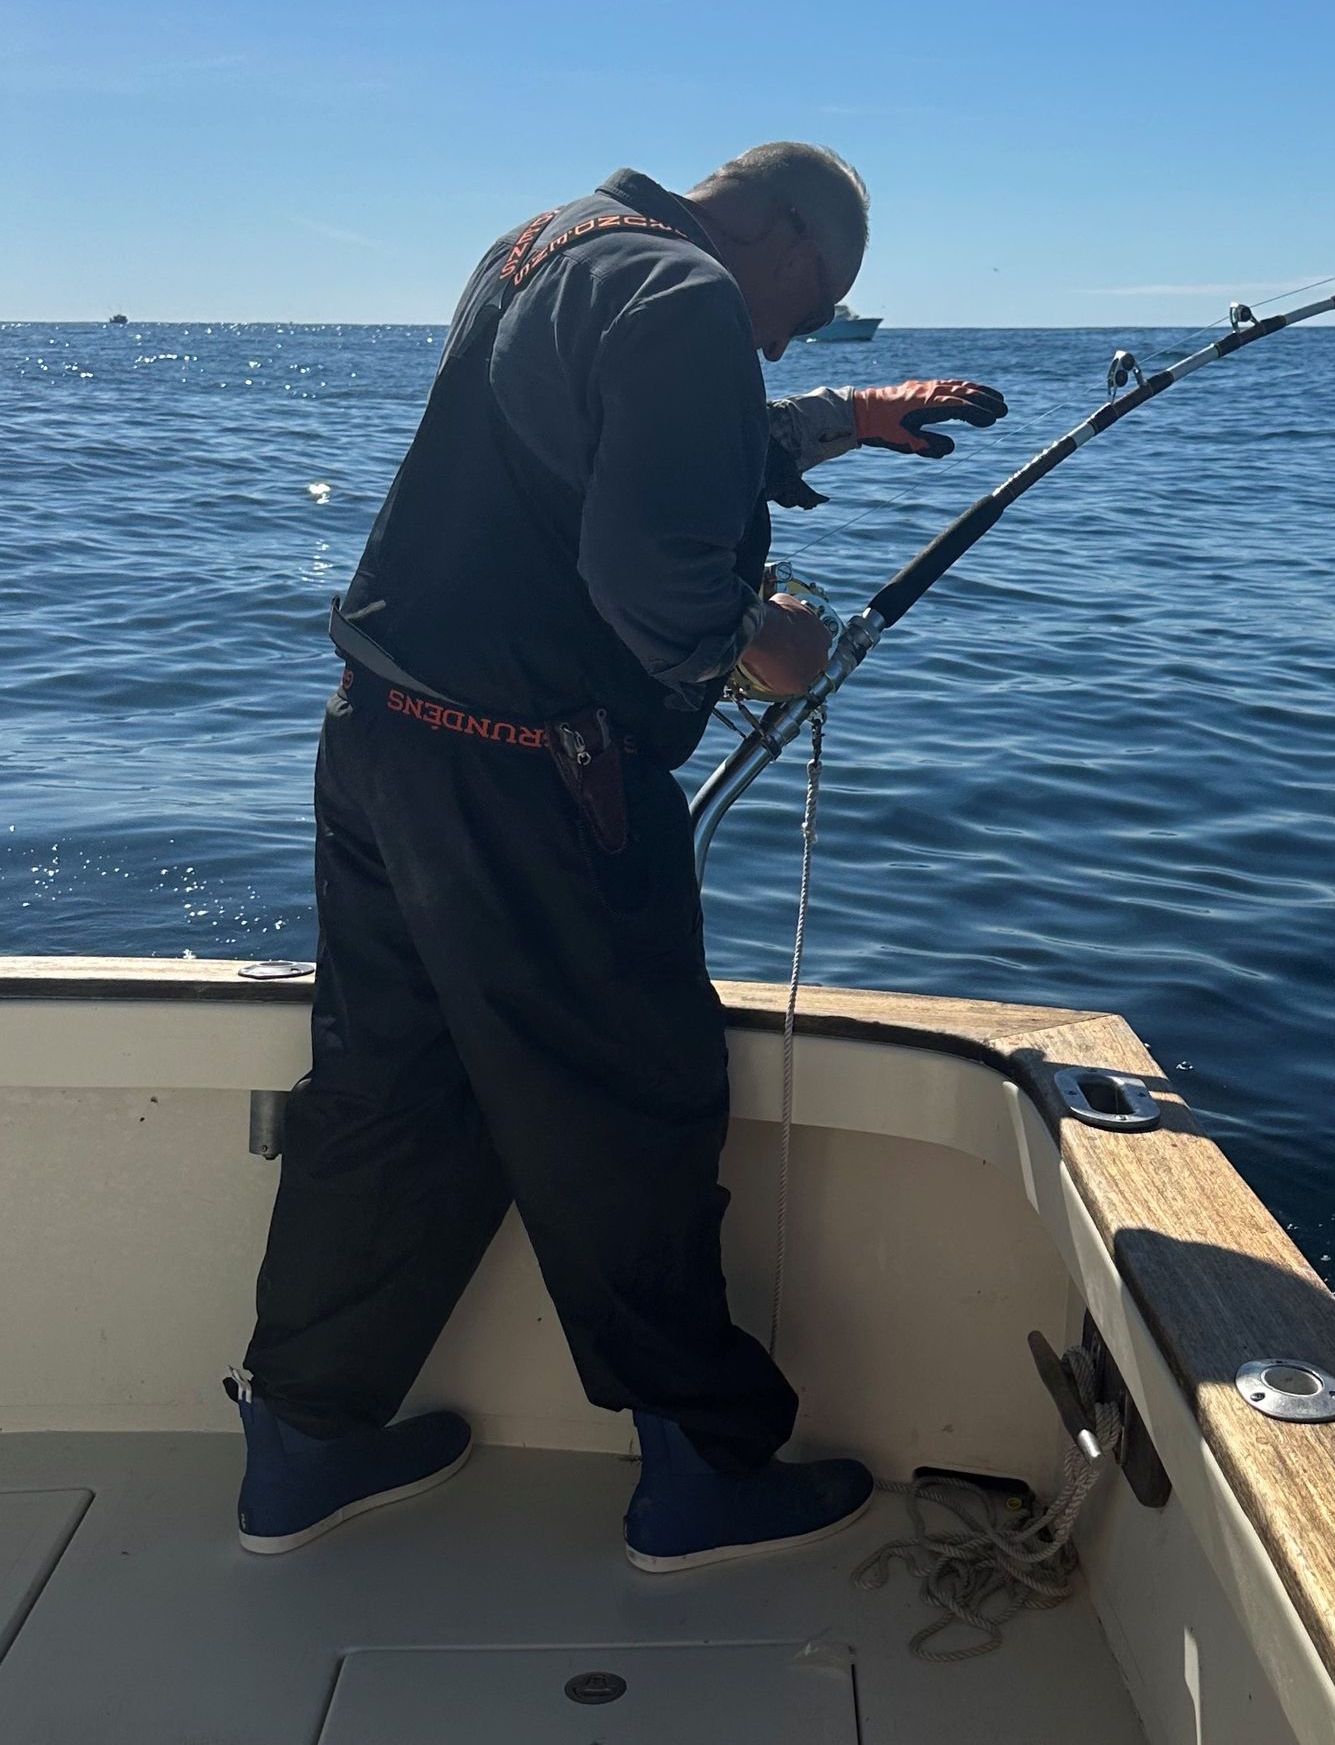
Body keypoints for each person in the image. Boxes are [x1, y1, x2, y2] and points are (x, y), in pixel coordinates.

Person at [227, 146, 1008, 1568]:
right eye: (815, 306)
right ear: (776, 234)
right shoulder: (688, 296)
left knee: (390, 1095)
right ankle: (702, 1475)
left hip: (384, 745)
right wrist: (769, 648)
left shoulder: (553, 242)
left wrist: (845, 420)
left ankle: (304, 1443)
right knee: (631, 1109)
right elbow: (657, 578)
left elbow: (624, 437)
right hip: (536, 780)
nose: (793, 333)